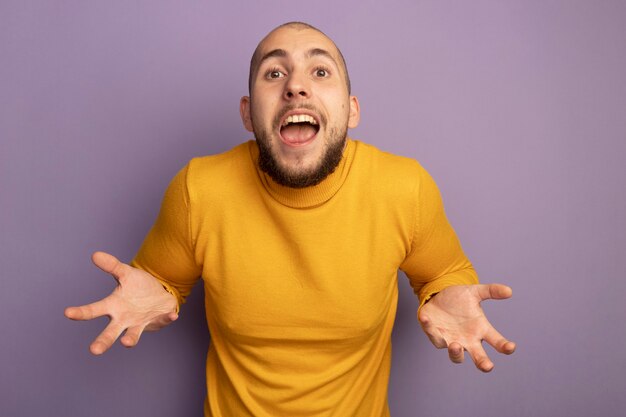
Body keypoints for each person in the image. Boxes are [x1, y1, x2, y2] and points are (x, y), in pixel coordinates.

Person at [65, 21, 515, 417]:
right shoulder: (199, 189)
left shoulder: (404, 187)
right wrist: (158, 287)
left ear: (352, 110)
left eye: (320, 72)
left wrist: (446, 291)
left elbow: (444, 273)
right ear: (247, 114)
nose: (296, 87)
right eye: (274, 73)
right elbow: (160, 284)